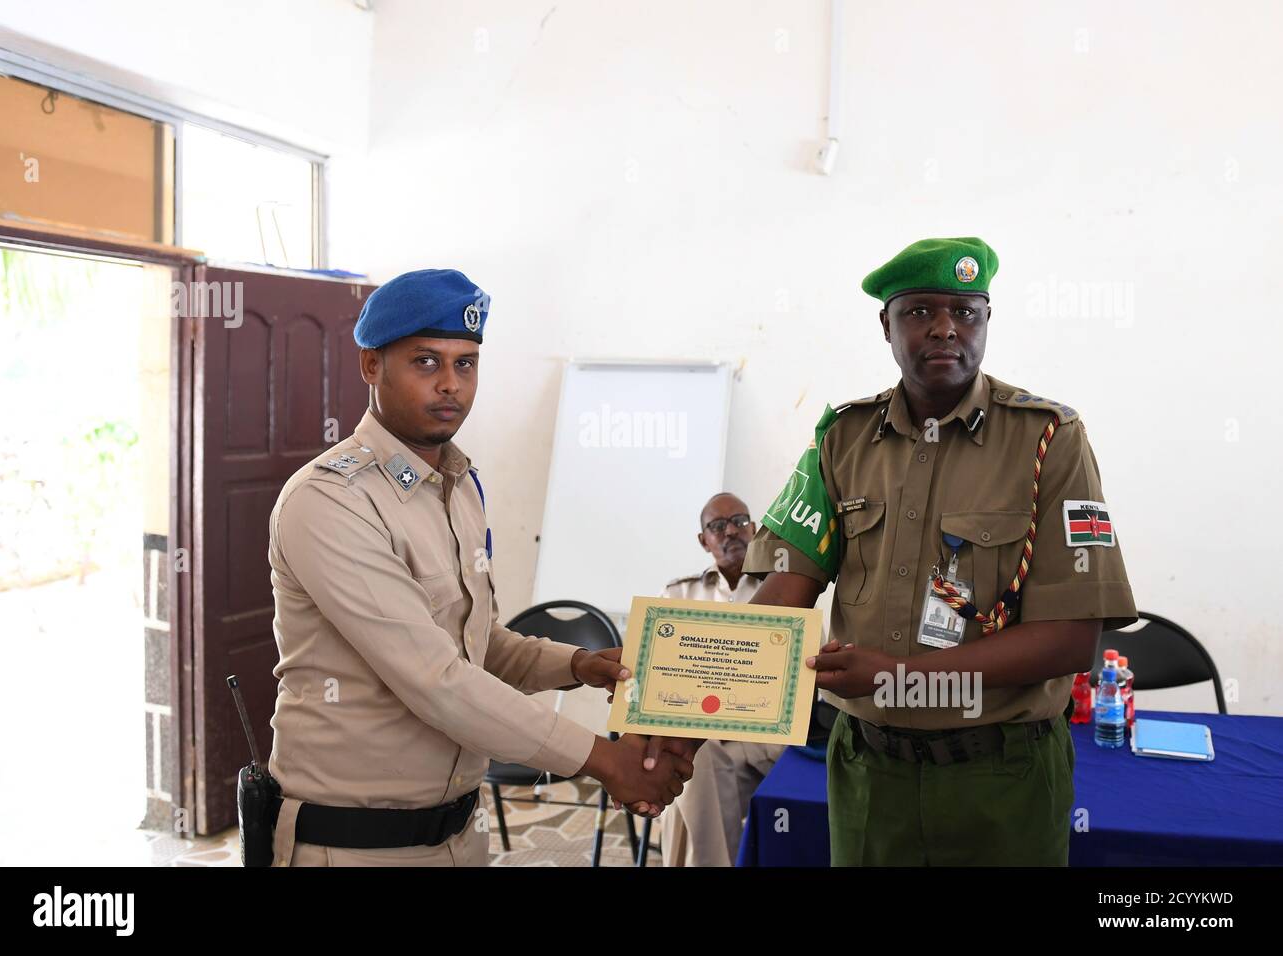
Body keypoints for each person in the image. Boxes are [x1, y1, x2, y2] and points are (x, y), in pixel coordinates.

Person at [266, 269, 692, 866]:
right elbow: (434, 677)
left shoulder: (458, 486)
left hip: (461, 835)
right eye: (425, 362)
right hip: (354, 844)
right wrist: (606, 760)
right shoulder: (330, 501)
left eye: (465, 364)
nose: (450, 385)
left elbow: (475, 644)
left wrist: (578, 665)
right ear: (371, 366)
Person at [742, 237, 1137, 866]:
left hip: (1002, 777)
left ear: (985, 321)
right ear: (886, 325)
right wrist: (673, 707)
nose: (945, 329)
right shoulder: (842, 440)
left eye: (965, 312)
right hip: (869, 772)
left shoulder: (1050, 441)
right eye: (921, 311)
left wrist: (898, 679)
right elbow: (781, 594)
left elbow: (1070, 639)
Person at [656, 492, 785, 867]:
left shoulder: (785, 591)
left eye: (740, 521)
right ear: (704, 541)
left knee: (686, 777)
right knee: (699, 759)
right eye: (717, 526)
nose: (731, 531)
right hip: (700, 736)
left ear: (755, 528)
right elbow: (658, 672)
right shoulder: (679, 594)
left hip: (760, 738)